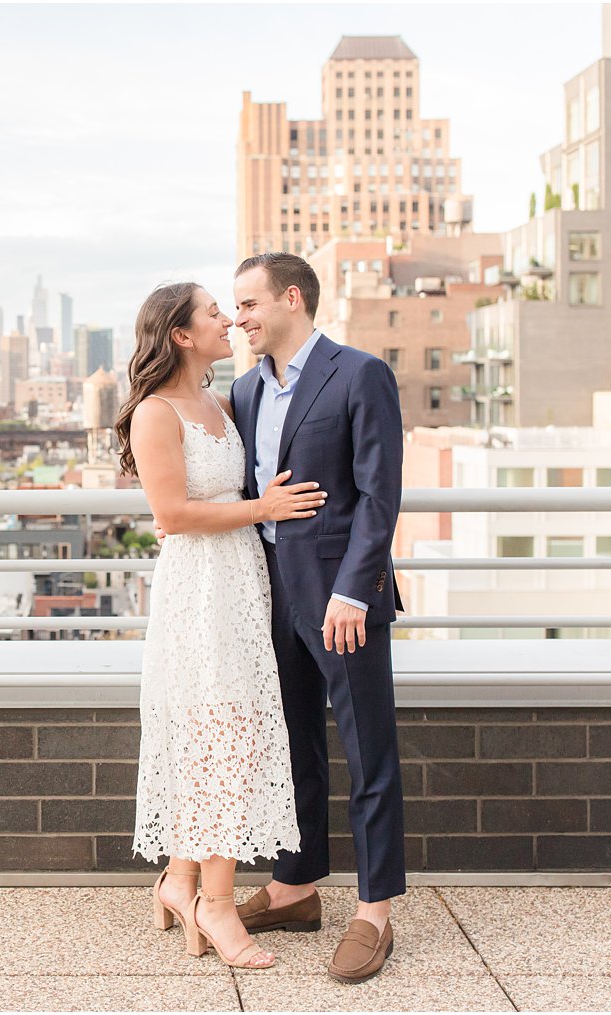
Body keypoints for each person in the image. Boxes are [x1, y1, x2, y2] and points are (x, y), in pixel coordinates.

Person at [115, 282, 325, 970]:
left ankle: (180, 880)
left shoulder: (224, 400)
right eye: (214, 313)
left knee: (224, 733)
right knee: (221, 738)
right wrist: (264, 509)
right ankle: (217, 902)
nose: (228, 321)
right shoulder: (155, 412)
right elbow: (172, 514)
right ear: (180, 334)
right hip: (198, 592)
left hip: (240, 583)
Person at [228, 252, 407, 984]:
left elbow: (379, 494)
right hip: (269, 590)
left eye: (248, 304)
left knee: (368, 749)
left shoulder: (358, 373)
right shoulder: (243, 389)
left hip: (343, 598)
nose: (239, 318)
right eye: (234, 308)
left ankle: (375, 908)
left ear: (291, 298)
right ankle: (298, 886)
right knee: (293, 742)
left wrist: (353, 590)